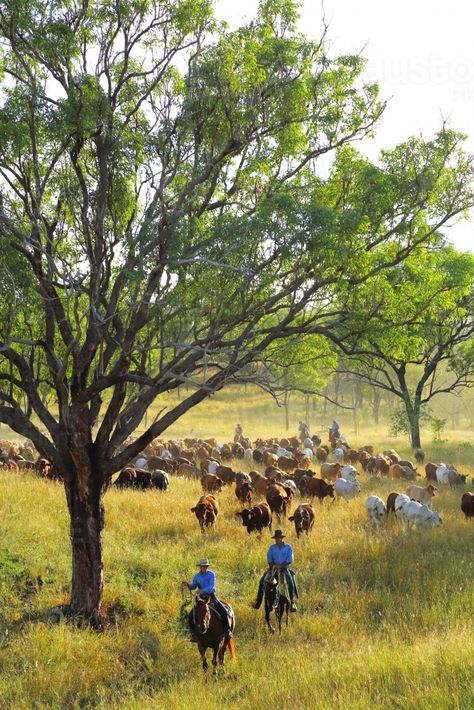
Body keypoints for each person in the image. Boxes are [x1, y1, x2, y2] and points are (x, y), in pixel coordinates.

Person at [184, 558, 233, 640]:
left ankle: (228, 631)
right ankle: (193, 634)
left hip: (211, 597)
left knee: (224, 612)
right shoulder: (197, 576)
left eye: (206, 566)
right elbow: (193, 586)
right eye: (203, 566)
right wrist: (188, 585)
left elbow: (211, 587)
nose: (204, 568)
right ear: (200, 567)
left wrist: (201, 590)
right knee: (190, 617)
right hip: (201, 599)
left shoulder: (211, 574)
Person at [252, 530, 298, 612]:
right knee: (262, 581)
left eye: (278, 538)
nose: (277, 540)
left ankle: (292, 602)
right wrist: (274, 565)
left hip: (284, 568)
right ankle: (258, 602)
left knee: (290, 582)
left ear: (281, 538)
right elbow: (269, 559)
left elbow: (289, 560)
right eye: (276, 539)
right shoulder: (272, 548)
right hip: (273, 568)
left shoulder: (288, 547)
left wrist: (281, 566)